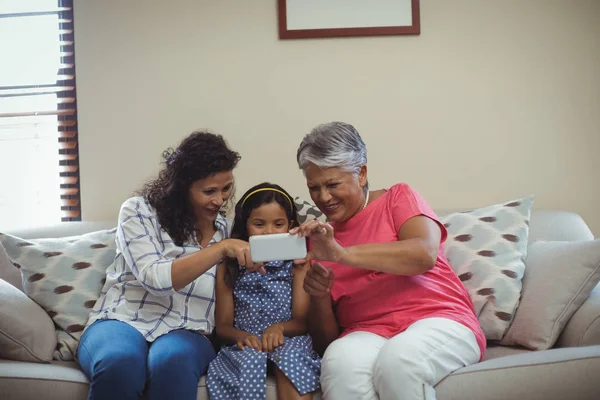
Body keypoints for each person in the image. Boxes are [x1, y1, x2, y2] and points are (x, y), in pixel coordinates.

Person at [290, 122, 486, 400]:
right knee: (338, 363)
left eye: (332, 184)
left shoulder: (398, 198)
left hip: (438, 318)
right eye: (314, 187)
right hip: (366, 332)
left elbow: (423, 255)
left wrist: (343, 254)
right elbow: (324, 342)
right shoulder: (320, 241)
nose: (323, 198)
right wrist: (319, 296)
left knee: (399, 360)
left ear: (361, 174)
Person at [78, 131, 265, 400]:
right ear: (182, 187)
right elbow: (155, 278)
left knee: (172, 362)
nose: (220, 199)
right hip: (123, 320)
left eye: (226, 188)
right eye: (209, 191)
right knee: (120, 361)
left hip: (189, 330)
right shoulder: (138, 211)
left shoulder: (226, 230)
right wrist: (220, 249)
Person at [207, 182, 321, 400]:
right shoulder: (228, 265)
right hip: (245, 342)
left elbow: (302, 320)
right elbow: (222, 326)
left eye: (278, 224)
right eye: (259, 224)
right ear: (244, 226)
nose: (269, 231)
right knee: (248, 362)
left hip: (287, 339)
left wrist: (279, 328)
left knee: (290, 360)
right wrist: (243, 336)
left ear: (290, 225)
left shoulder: (298, 264)